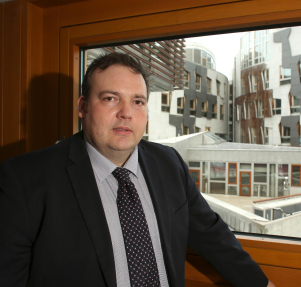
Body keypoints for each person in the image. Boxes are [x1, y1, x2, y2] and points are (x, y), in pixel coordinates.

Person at [0, 52, 275, 287]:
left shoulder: (170, 163)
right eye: (110, 98)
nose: (126, 113)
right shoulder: (22, 180)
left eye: (138, 101)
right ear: (83, 107)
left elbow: (213, 235)